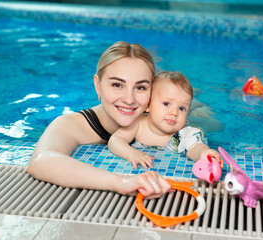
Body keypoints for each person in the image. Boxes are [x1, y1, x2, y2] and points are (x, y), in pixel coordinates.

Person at [27, 41, 171, 199]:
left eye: (141, 87)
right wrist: (121, 182)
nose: (129, 99)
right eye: (117, 85)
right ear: (98, 86)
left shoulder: (161, 119)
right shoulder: (70, 125)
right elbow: (40, 161)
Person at [108, 71, 223, 169]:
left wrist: (204, 153)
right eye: (166, 104)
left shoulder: (183, 135)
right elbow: (115, 140)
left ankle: (199, 105)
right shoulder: (138, 124)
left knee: (217, 125)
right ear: (148, 105)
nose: (174, 113)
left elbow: (195, 147)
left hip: (196, 123)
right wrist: (131, 154)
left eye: (182, 108)